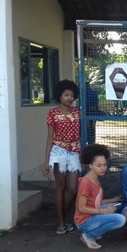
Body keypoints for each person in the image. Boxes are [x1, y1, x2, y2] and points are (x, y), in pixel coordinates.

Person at [43, 79, 81, 235]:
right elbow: (50, 136)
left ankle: (63, 216)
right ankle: (61, 223)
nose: (69, 98)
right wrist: (46, 161)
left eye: (71, 95)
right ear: (60, 96)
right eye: (66, 95)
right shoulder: (52, 113)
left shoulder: (78, 111)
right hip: (58, 150)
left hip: (75, 151)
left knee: (73, 188)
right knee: (61, 186)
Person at [74, 144, 125, 250]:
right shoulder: (86, 182)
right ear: (90, 165)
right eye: (99, 165)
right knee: (120, 220)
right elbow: (81, 208)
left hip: (92, 214)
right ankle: (89, 235)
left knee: (119, 206)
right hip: (84, 221)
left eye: (104, 165)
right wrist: (104, 211)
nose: (103, 168)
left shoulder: (95, 178)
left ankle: (94, 231)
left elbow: (95, 201)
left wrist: (112, 200)